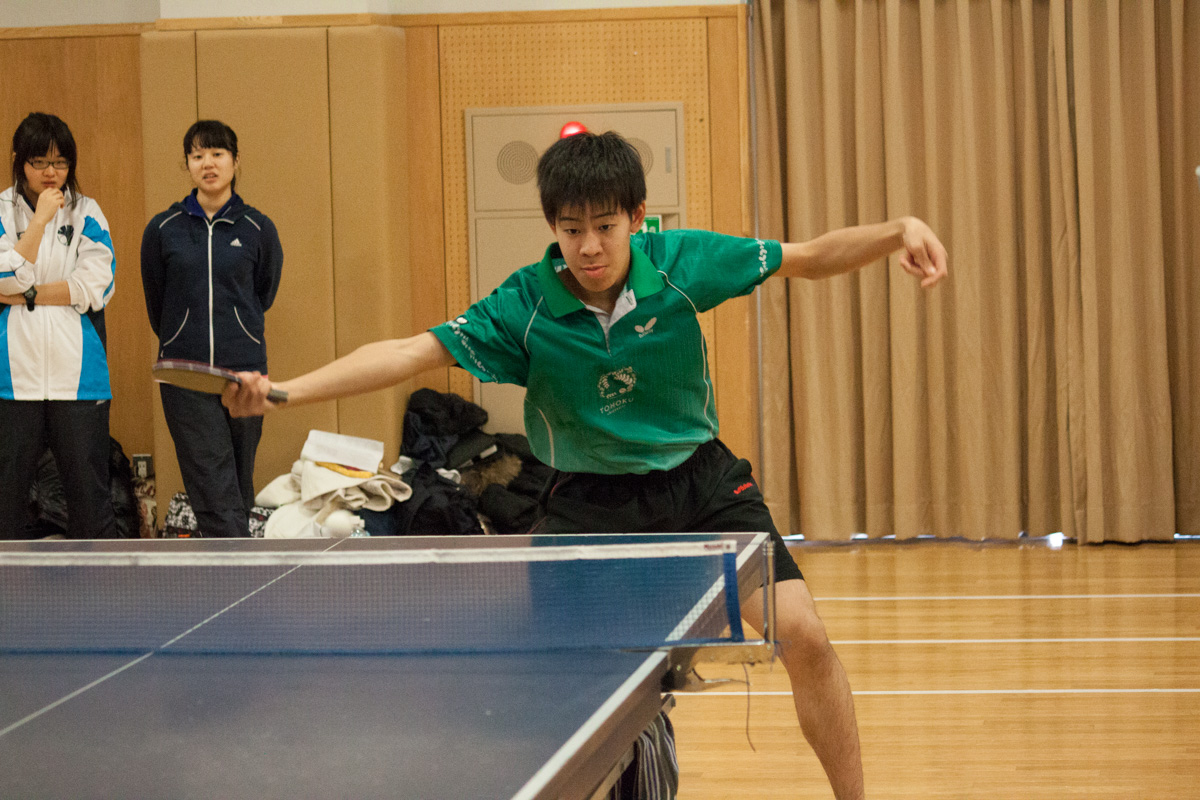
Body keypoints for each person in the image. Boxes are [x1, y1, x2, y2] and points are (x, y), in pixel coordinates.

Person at [223, 131, 947, 799]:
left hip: (701, 482)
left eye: (605, 226)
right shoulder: (525, 305)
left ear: (637, 217)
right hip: (588, 500)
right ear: (552, 228)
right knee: (565, 680)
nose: (590, 247)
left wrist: (898, 231)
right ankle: (639, 746)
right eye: (572, 230)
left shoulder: (681, 263)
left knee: (807, 638)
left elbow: (808, 256)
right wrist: (287, 391)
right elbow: (413, 351)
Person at [141, 120, 284, 538]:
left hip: (245, 374)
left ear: (235, 162)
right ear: (186, 164)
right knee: (212, 483)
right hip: (185, 374)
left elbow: (264, 292)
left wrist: (237, 328)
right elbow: (157, 301)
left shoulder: (258, 229)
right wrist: (181, 333)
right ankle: (238, 567)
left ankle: (233, 564)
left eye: (217, 154)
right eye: (197, 155)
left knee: (237, 483)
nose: (208, 163)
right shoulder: (162, 229)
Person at [0, 113, 118, 540]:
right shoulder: (1, 210)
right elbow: (3, 278)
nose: (51, 172)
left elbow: (96, 286)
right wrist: (39, 222)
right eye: (40, 162)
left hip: (79, 378)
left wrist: (26, 294)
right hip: (12, 379)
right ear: (20, 161)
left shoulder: (88, 212)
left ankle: (99, 579)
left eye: (61, 162)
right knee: (6, 497)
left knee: (90, 497)